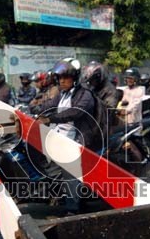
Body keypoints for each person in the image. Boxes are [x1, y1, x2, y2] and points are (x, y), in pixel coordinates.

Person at [35, 58, 100, 213]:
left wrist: (50, 118)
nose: (62, 81)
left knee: (70, 173)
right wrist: (34, 110)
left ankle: (73, 209)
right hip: (60, 136)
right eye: (60, 78)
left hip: (78, 139)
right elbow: (49, 106)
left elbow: (76, 112)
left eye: (66, 78)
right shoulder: (63, 94)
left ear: (75, 78)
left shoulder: (85, 94)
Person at [82, 60, 122, 137]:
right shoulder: (93, 88)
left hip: (103, 129)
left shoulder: (111, 91)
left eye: (92, 80)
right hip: (91, 125)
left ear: (98, 77)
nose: (90, 82)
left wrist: (93, 100)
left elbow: (108, 112)